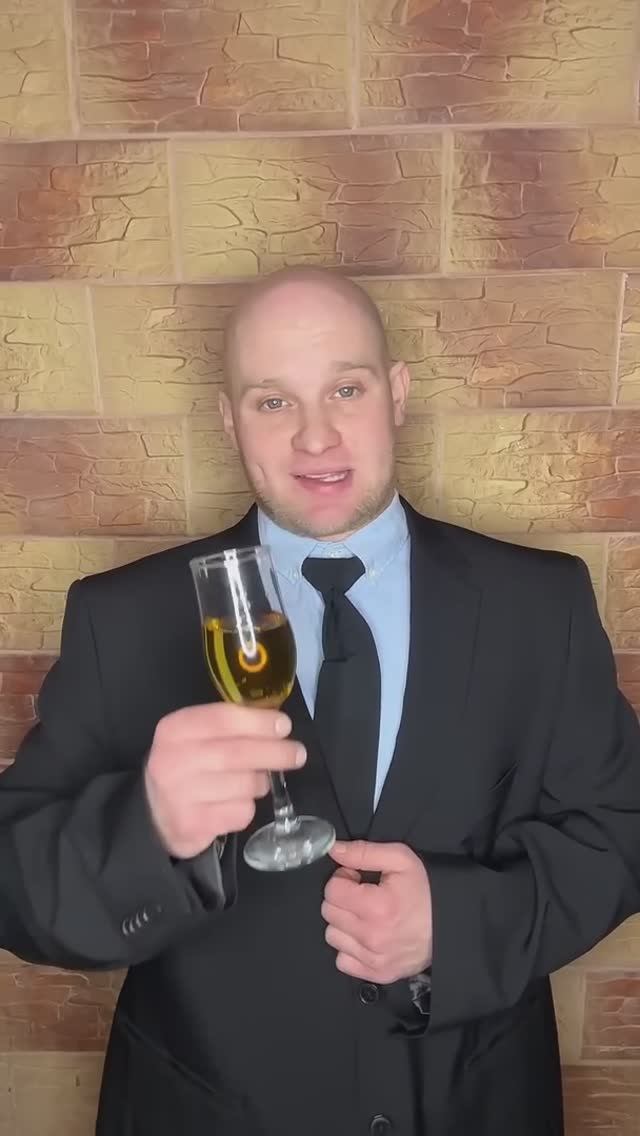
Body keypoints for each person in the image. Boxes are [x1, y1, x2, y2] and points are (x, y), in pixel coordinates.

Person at [1, 266, 640, 1136]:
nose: (315, 436)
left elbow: (621, 830)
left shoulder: (541, 604)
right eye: (273, 402)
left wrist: (461, 926)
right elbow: (13, 886)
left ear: (397, 394)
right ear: (228, 420)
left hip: (473, 1106)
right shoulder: (123, 619)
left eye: (346, 389)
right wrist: (144, 831)